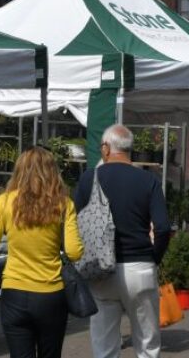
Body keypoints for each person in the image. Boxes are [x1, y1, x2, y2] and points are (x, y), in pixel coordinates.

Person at [0, 147, 82, 358]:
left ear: (20, 170)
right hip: (51, 295)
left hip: (14, 294)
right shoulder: (64, 204)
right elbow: (74, 252)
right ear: (52, 172)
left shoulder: (4, 202)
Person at [74, 125, 170, 358]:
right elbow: (163, 228)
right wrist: (153, 258)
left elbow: (74, 223)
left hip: (101, 270)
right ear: (130, 149)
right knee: (147, 344)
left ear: (106, 148)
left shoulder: (89, 179)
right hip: (140, 268)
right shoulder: (148, 180)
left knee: (105, 346)